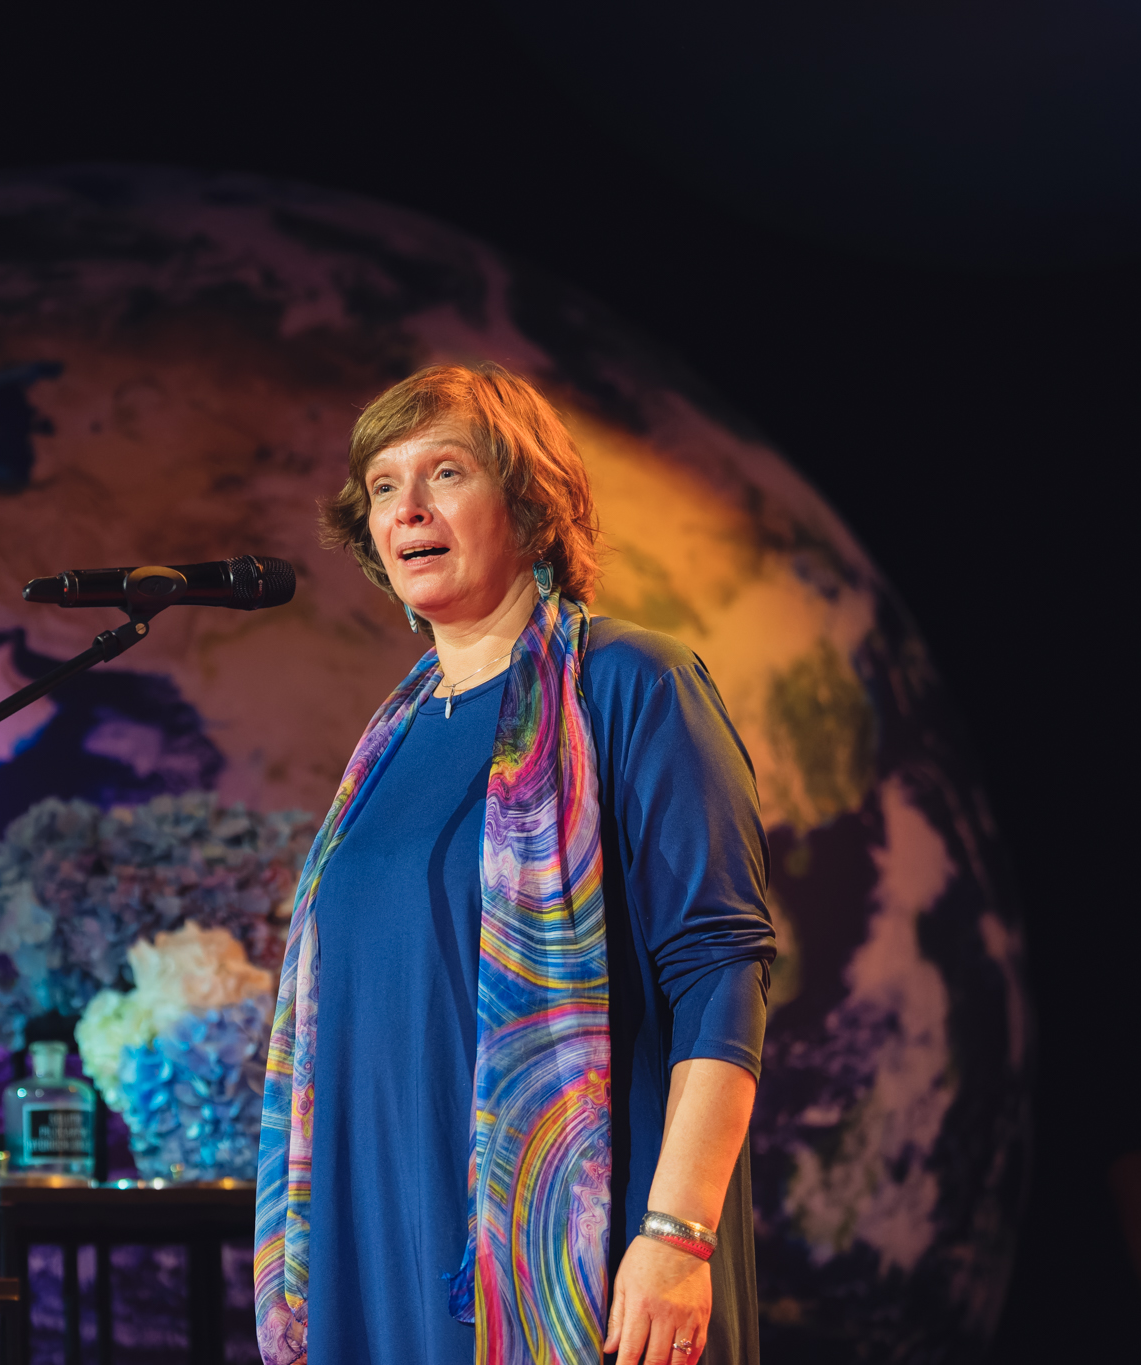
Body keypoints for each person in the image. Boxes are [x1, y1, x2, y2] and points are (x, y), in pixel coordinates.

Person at [254, 364, 776, 1365]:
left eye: (445, 472)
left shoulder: (632, 685)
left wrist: (675, 1234)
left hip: (586, 1256)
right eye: (382, 486)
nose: (407, 508)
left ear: (532, 506)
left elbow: (721, 969)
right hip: (386, 1254)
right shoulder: (386, 749)